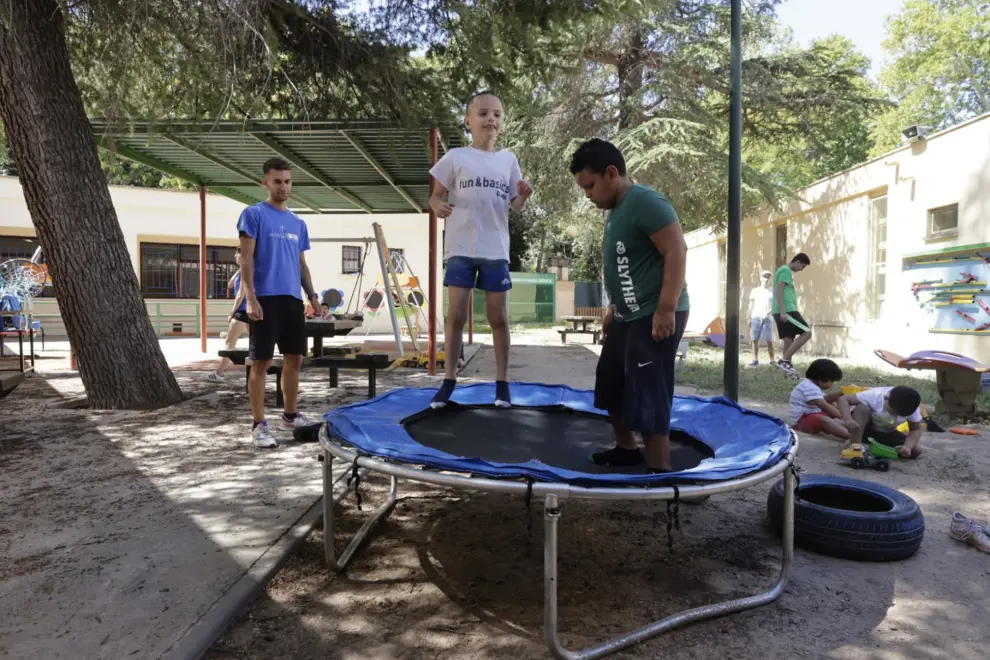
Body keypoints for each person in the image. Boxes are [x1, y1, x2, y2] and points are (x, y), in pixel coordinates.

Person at [569, 138, 689, 474]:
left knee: (649, 389)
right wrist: (611, 310)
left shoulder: (646, 202)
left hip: (656, 312)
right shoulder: (616, 211)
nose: (588, 195)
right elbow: (623, 265)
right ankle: (626, 449)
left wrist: (666, 308)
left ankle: (660, 470)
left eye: (590, 186)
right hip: (626, 315)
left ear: (611, 173)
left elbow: (677, 251)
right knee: (609, 383)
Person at [428, 91, 534, 409]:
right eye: (485, 113)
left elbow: (514, 206)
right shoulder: (457, 157)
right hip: (461, 246)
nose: (492, 119)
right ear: (468, 121)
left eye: (497, 115)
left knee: (498, 317)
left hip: (495, 248)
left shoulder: (508, 160)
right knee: (456, 315)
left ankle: (502, 385)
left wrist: (524, 195)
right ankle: (448, 380)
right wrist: (437, 205)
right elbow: (435, 195)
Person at [238, 157, 322, 448]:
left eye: (287, 181)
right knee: (260, 363)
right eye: (277, 181)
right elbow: (245, 259)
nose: (283, 187)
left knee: (294, 359)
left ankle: (290, 414)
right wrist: (250, 298)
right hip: (264, 299)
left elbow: (302, 265)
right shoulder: (253, 214)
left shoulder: (298, 222)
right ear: (265, 182)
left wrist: (313, 297)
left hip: (291, 300)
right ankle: (259, 425)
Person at [837, 386, 924, 459]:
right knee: (862, 408)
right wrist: (848, 419)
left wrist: (907, 447)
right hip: (864, 429)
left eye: (899, 415)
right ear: (886, 398)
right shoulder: (874, 395)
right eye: (892, 412)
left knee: (916, 450)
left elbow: (916, 429)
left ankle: (879, 449)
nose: (894, 416)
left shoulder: (912, 406)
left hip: (888, 433)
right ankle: (855, 445)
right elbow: (843, 399)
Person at [206, 248, 249, 382]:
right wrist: (239, 269)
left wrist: (231, 313)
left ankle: (219, 373)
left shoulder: (246, 272)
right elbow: (229, 284)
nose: (235, 256)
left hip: (242, 311)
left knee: (229, 342)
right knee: (254, 344)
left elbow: (240, 295)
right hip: (247, 311)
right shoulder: (242, 271)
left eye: (237, 254)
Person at [789, 358, 858, 441]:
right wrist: (844, 418)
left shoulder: (812, 384)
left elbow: (827, 398)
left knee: (833, 406)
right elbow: (825, 406)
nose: (831, 385)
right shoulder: (809, 387)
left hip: (813, 415)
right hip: (801, 420)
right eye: (831, 381)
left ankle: (849, 427)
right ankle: (852, 437)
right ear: (821, 379)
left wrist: (842, 393)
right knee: (826, 419)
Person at [772, 253, 812, 375]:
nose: (802, 269)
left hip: (782, 310)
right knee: (807, 332)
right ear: (797, 262)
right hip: (787, 311)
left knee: (788, 338)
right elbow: (779, 290)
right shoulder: (786, 271)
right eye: (803, 266)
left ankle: (787, 369)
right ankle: (784, 360)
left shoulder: (784, 270)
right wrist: (783, 311)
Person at [747, 269, 775, 367]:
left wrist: (768, 313)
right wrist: (749, 318)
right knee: (754, 339)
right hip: (756, 317)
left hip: (768, 318)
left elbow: (776, 305)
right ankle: (755, 360)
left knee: (769, 340)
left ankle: (772, 360)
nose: (766, 278)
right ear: (760, 278)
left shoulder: (773, 291)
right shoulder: (755, 291)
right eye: (764, 276)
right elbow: (751, 305)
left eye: (768, 276)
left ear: (770, 278)